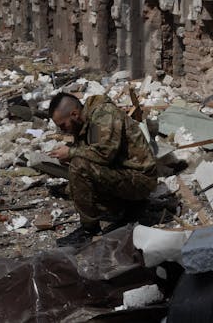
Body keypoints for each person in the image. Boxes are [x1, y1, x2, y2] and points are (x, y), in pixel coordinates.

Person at [48, 92, 158, 247]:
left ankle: (89, 231)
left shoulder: (104, 114)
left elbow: (104, 153)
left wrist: (71, 153)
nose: (63, 131)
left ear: (74, 114)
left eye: (63, 125)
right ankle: (130, 208)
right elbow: (91, 151)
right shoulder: (85, 122)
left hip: (141, 179)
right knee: (75, 182)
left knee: (79, 166)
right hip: (124, 175)